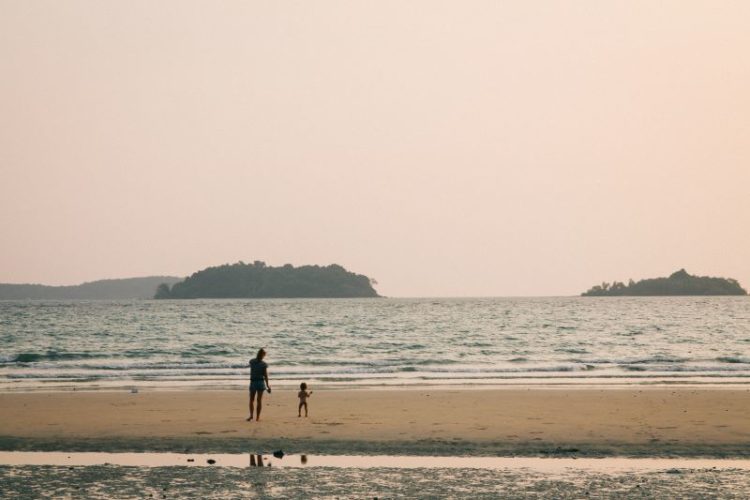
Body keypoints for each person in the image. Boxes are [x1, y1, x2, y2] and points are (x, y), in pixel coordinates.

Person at [247, 348, 270, 421]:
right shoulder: (264, 364)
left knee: (251, 400)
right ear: (263, 355)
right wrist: (268, 386)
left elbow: (252, 366)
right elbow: (265, 376)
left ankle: (251, 416)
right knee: (259, 400)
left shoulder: (252, 361)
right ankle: (257, 417)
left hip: (253, 382)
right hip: (260, 382)